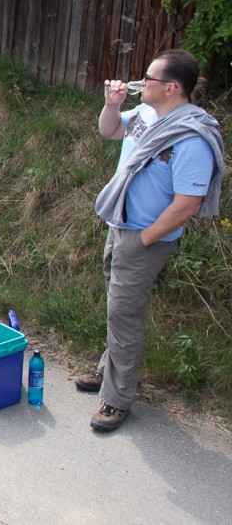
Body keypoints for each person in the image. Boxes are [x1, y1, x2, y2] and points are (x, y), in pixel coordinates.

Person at [75, 49, 223, 432]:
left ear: (172, 88)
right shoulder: (143, 115)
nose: (140, 83)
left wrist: (143, 240)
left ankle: (116, 400)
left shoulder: (191, 138)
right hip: (120, 224)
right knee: (116, 307)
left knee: (123, 315)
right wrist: (112, 104)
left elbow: (187, 204)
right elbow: (109, 130)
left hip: (144, 238)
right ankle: (109, 372)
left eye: (149, 78)